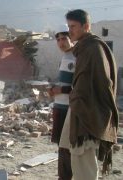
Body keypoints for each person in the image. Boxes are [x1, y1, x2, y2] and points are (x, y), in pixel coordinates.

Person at [59, 9, 118, 180]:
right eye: (68, 26)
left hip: (87, 114)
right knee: (69, 151)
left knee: (83, 162)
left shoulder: (93, 49)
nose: (70, 31)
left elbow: (103, 84)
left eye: (73, 26)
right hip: (79, 108)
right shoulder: (84, 47)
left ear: (86, 26)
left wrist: (80, 101)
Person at [49, 24, 74, 180]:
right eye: (58, 39)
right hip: (60, 107)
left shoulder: (77, 57)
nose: (61, 42)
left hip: (70, 109)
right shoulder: (65, 57)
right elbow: (64, 84)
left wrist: (62, 91)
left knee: (67, 148)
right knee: (62, 147)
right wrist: (53, 90)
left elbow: (83, 87)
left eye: (64, 38)